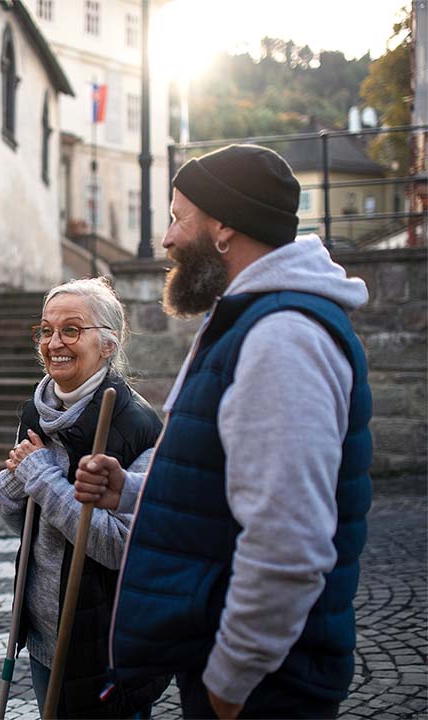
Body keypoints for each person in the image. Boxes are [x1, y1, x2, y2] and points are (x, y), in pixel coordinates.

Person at [75, 144, 372, 719]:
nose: (165, 239)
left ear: (223, 226)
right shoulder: (253, 320)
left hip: (264, 689)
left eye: (176, 217)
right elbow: (231, 480)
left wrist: (229, 684)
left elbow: (288, 540)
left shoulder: (282, 337)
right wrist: (133, 490)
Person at [0, 278, 169, 718]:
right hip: (43, 633)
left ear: (108, 344)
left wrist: (39, 475)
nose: (54, 343)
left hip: (108, 638)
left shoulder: (138, 426)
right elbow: (21, 521)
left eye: (71, 330)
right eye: (46, 330)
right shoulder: (38, 410)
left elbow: (118, 545)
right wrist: (19, 480)